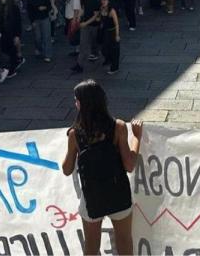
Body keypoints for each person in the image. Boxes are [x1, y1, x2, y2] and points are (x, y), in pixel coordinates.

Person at [61, 80, 142, 255]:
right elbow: (129, 165)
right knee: (124, 241)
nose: (75, 103)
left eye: (76, 100)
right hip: (118, 193)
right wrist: (137, 138)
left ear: (81, 104)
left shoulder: (75, 134)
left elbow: (66, 169)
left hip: (91, 197)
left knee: (91, 245)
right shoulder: (118, 127)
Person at [73, 0, 101, 74]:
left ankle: (96, 52)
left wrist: (86, 23)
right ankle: (79, 65)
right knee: (83, 44)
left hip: (94, 25)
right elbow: (83, 9)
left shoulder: (96, 0)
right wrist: (79, 17)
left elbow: (96, 15)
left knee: (94, 41)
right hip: (85, 24)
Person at [98, 0, 121, 75]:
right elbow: (101, 19)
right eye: (102, 0)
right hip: (106, 32)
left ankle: (114, 67)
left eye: (105, 0)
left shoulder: (112, 11)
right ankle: (109, 60)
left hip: (112, 32)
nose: (103, 1)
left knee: (114, 50)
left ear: (109, 1)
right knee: (104, 49)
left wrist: (117, 35)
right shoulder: (102, 9)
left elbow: (116, 24)